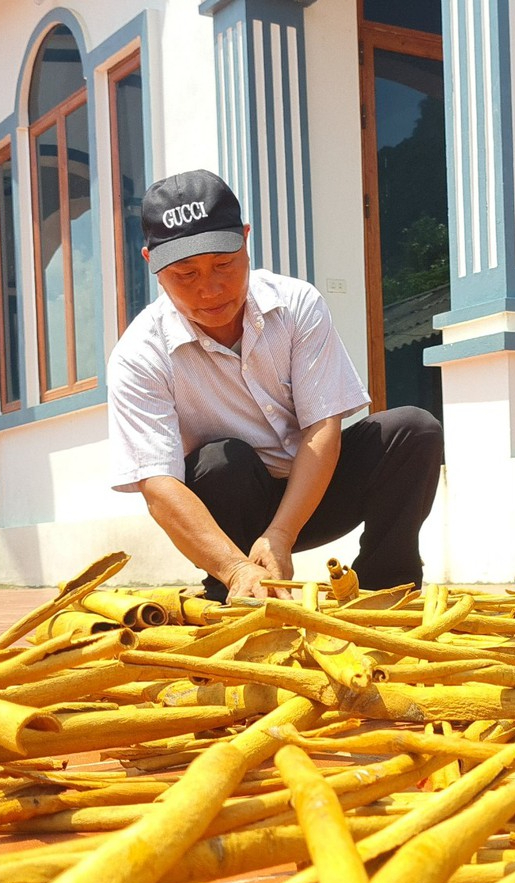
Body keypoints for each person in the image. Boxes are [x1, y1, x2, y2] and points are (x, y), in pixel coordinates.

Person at [106, 170, 444, 602]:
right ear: (150, 263)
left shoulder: (296, 304)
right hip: (230, 511)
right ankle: (234, 585)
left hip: (314, 493)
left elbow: (323, 426)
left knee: (413, 430)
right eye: (185, 274)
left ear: (246, 239)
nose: (210, 289)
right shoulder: (139, 354)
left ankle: (386, 586)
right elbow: (158, 484)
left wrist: (282, 533)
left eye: (224, 264)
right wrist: (233, 565)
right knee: (221, 460)